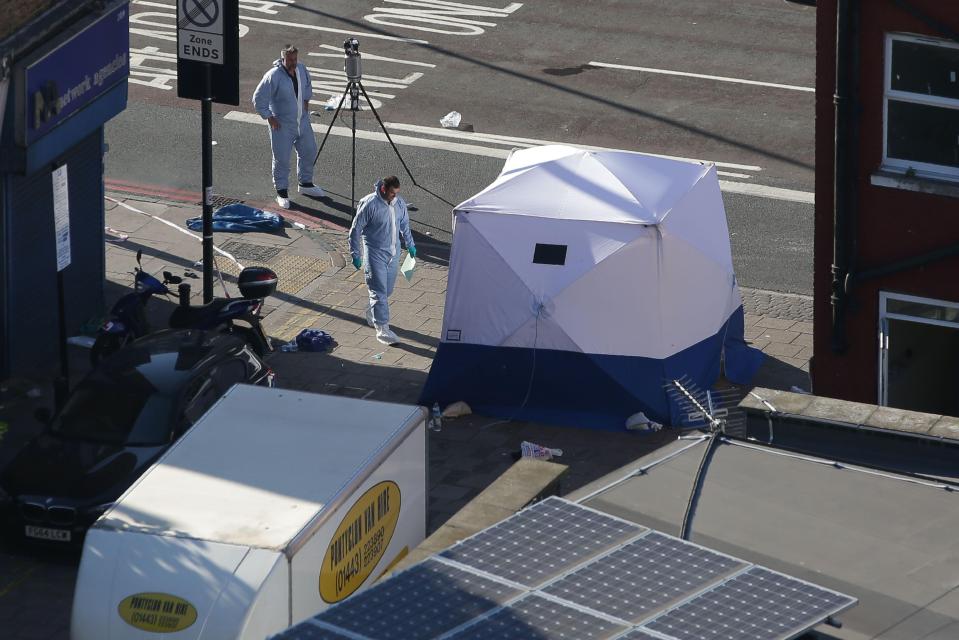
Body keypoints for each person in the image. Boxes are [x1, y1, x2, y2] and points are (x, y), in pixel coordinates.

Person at [252, 44, 325, 209]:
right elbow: (258, 99)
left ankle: (305, 183)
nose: (293, 62)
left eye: (295, 59)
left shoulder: (301, 69)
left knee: (309, 150)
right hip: (282, 125)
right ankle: (282, 191)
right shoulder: (273, 76)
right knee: (282, 159)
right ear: (282, 59)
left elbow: (307, 85)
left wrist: (306, 100)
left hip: (302, 121)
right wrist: (269, 118)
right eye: (290, 60)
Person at [349, 176, 416, 345]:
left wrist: (411, 245)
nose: (395, 197)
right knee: (379, 292)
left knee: (387, 290)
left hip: (393, 253)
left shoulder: (399, 204)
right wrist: (355, 254)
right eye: (393, 194)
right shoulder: (369, 204)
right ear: (384, 189)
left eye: (397, 194)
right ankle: (383, 330)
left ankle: (372, 312)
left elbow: (405, 225)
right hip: (375, 253)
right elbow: (355, 230)